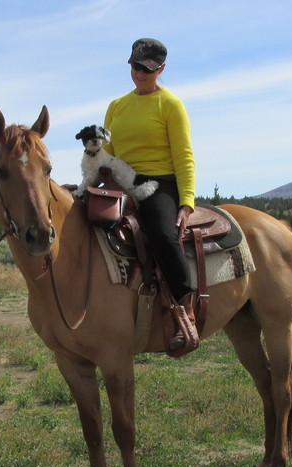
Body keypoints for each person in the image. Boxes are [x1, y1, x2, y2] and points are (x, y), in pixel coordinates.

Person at [103, 38, 198, 351]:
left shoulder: (170, 105)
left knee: (161, 232)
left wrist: (186, 204)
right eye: (135, 66)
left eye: (147, 68)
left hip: (159, 183)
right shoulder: (116, 106)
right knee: (84, 220)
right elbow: (107, 152)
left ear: (161, 69)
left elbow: (184, 157)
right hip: (121, 180)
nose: (139, 73)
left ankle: (186, 306)